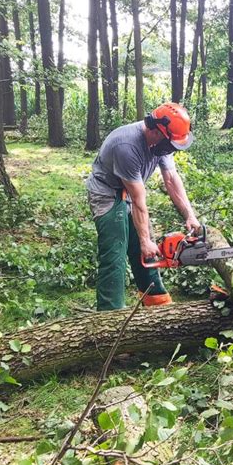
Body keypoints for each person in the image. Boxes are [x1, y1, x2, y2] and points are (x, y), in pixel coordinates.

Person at [86, 102, 200, 311]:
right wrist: (145, 240)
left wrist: (189, 215)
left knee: (145, 250)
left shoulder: (163, 142)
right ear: (156, 131)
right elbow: (139, 199)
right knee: (115, 252)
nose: (171, 150)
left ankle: (156, 301)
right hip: (106, 193)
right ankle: (110, 316)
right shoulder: (127, 146)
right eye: (170, 144)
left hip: (128, 192)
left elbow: (171, 179)